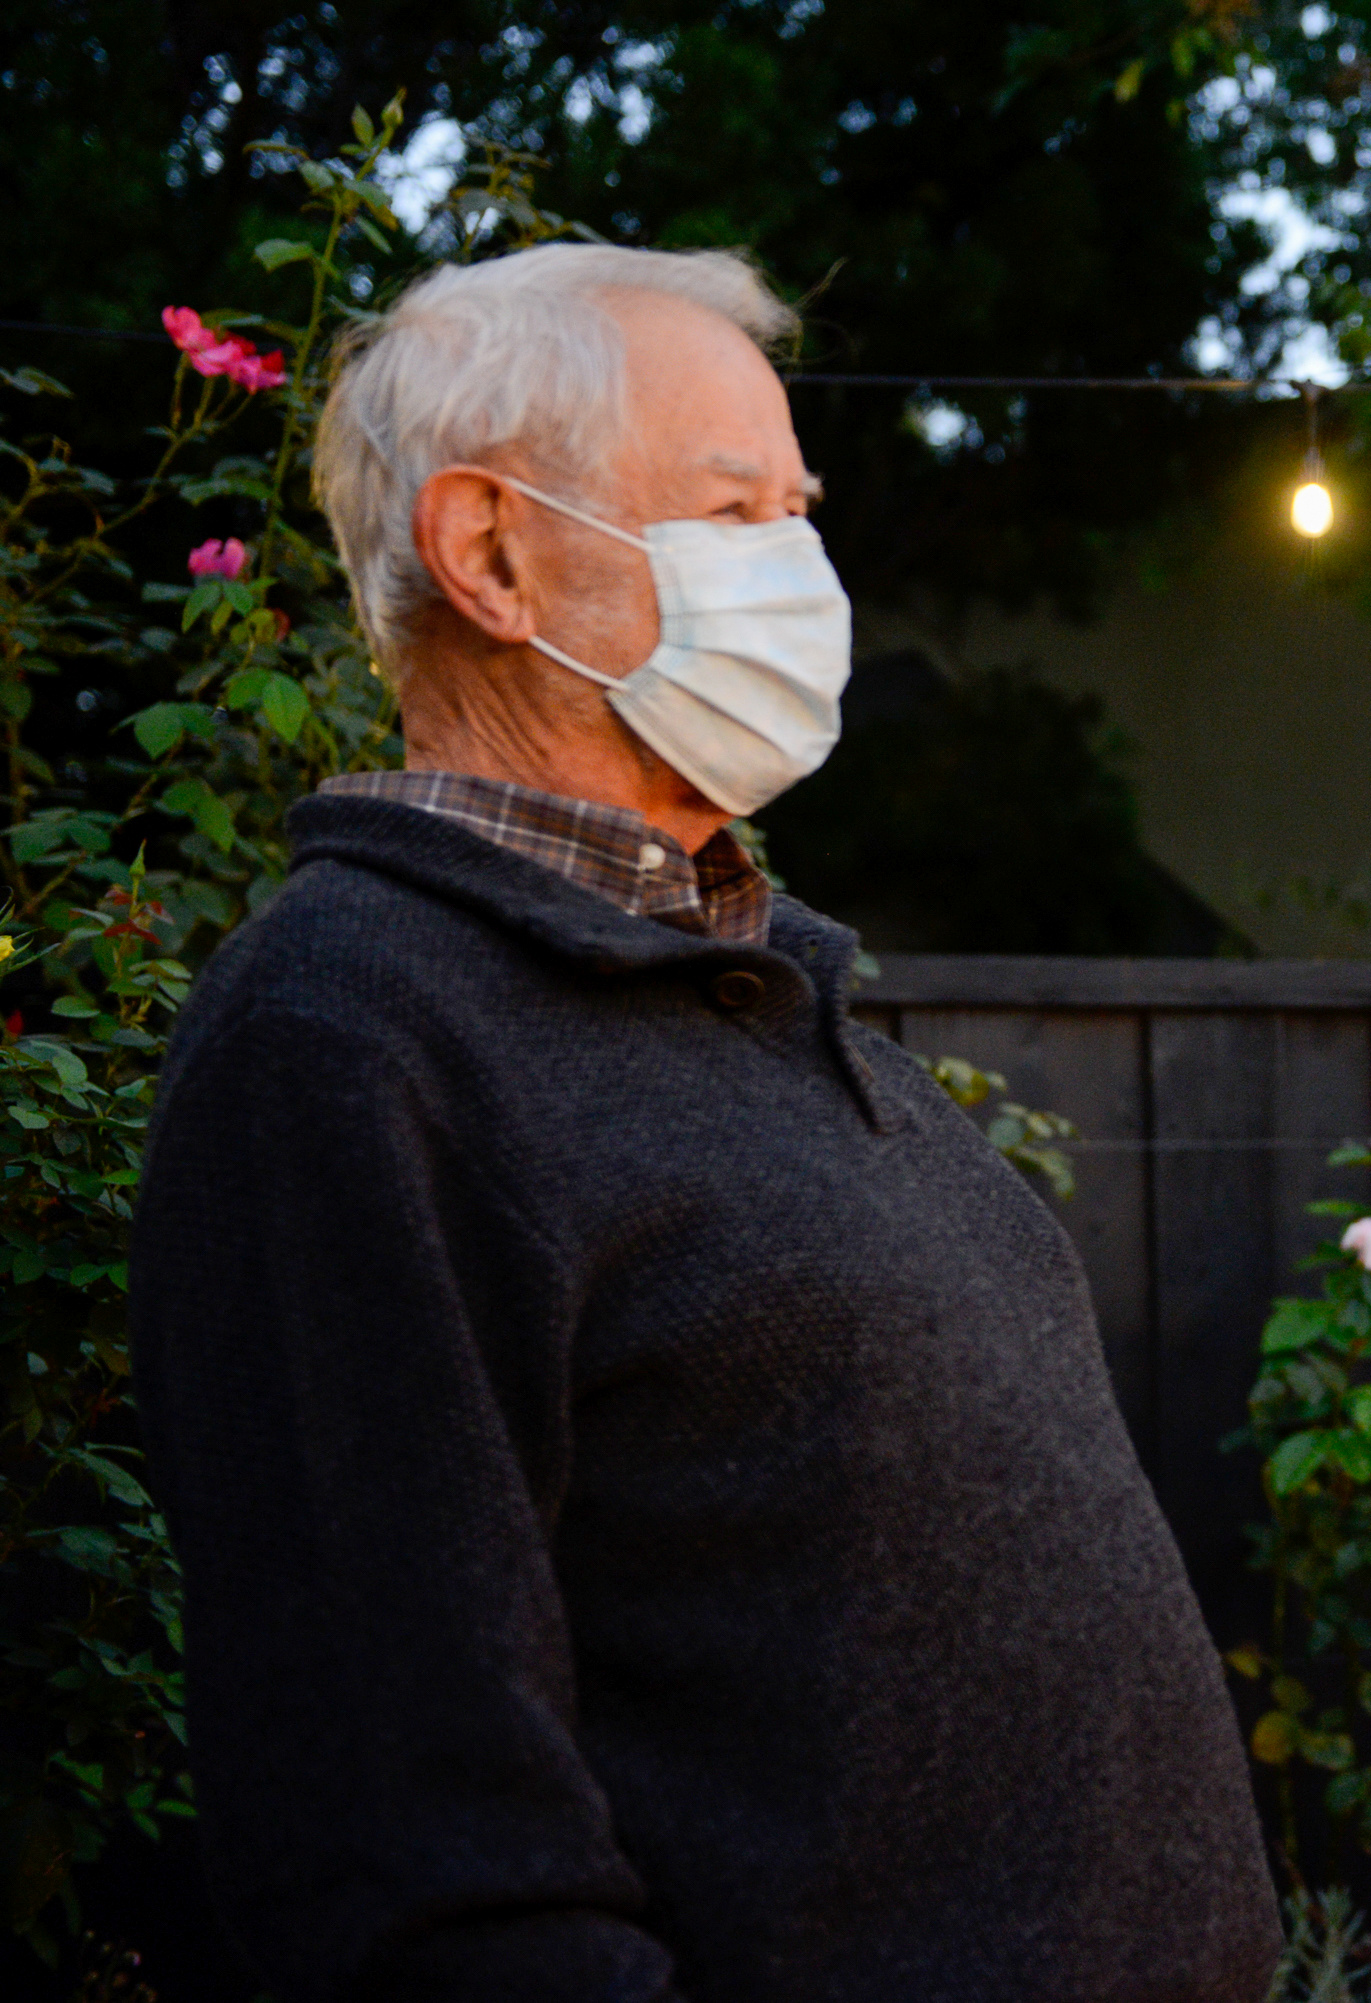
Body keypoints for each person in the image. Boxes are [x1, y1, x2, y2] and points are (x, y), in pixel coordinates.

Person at [127, 243, 1277, 2002]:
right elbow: (409, 1862)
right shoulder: (347, 1037)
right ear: (489, 553)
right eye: (736, 510)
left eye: (800, 513)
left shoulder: (754, 997)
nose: (802, 570)